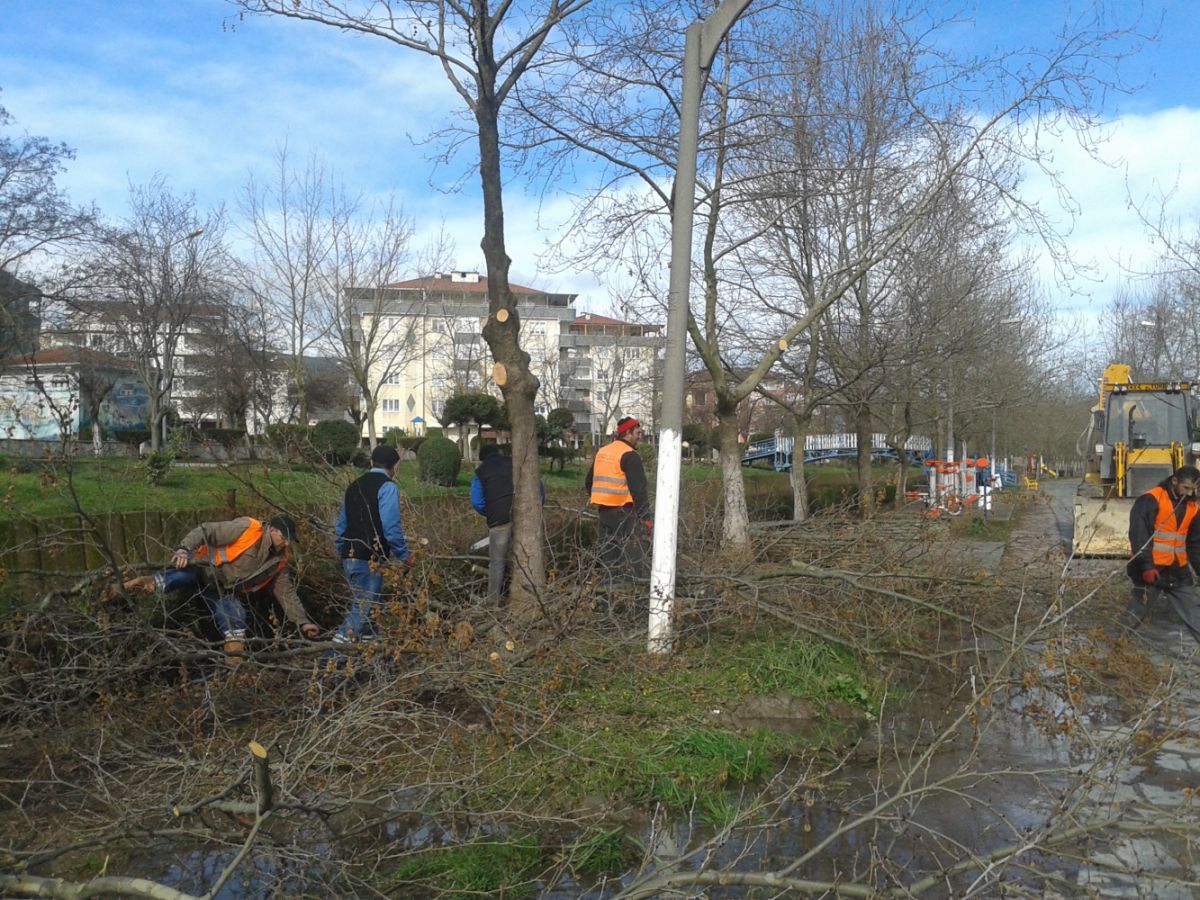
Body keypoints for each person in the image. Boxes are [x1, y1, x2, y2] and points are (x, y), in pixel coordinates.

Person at [113, 514, 318, 665]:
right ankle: (126, 589)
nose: (287, 542)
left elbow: (286, 592)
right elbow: (207, 529)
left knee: (237, 621)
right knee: (178, 577)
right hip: (204, 569)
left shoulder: (280, 561)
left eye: (290, 539)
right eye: (284, 537)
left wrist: (303, 622)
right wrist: (184, 549)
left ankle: (234, 672)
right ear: (273, 530)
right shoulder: (249, 528)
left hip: (223, 590)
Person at [332, 444, 414, 647]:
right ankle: (330, 660)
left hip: (349, 555)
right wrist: (405, 555)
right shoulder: (388, 487)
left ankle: (371, 658)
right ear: (394, 467)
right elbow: (391, 527)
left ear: (371, 463)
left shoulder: (354, 486)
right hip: (369, 559)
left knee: (368, 613)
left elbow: (341, 526)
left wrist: (341, 551)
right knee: (362, 610)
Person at [1124, 465, 1200, 643]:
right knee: (1136, 613)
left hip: (1178, 571)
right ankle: (1117, 649)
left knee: (1194, 613)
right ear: (1174, 481)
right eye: (1186, 488)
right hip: (1151, 571)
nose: (1189, 494)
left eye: (1194, 489)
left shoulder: (1193, 507)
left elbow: (1194, 543)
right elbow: (1139, 536)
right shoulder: (1151, 500)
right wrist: (1146, 567)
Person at [470, 444, 545, 601]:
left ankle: (493, 602)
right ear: (499, 452)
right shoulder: (515, 463)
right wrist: (535, 509)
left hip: (499, 521)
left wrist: (490, 511)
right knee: (526, 558)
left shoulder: (480, 472)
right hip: (524, 517)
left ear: (482, 459)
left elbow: (476, 502)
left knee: (497, 563)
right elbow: (537, 486)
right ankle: (531, 596)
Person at [586, 416, 651, 585]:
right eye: (637, 433)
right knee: (632, 559)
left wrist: (603, 498)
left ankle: (608, 596)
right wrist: (646, 518)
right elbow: (639, 490)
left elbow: (589, 482)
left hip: (605, 513)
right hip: (625, 514)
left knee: (609, 558)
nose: (640, 436)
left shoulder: (603, 451)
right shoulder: (629, 455)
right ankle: (632, 596)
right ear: (627, 433)